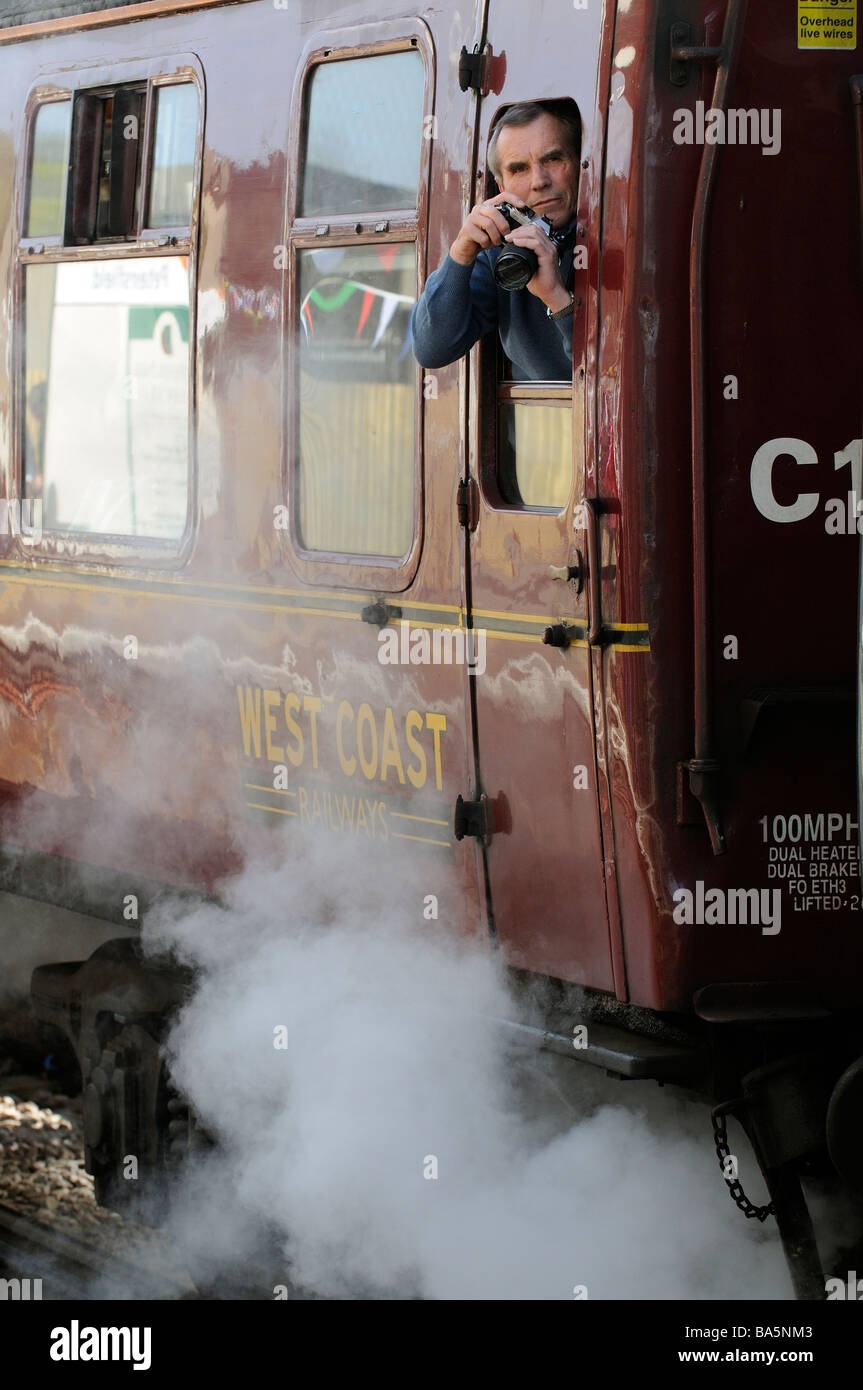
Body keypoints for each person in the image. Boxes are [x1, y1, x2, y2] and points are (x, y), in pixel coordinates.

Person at [410, 102, 580, 381]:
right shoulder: (501, 251)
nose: (539, 181)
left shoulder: (616, 237)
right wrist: (461, 253)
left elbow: (615, 378)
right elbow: (432, 349)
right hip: (533, 422)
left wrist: (558, 300)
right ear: (502, 188)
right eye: (519, 169)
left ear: (580, 163)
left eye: (552, 159)